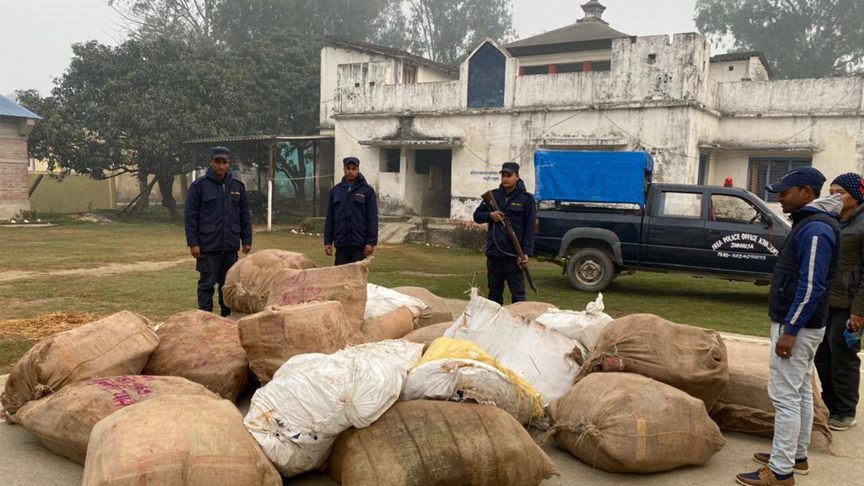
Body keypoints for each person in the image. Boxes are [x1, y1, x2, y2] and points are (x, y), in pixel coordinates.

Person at [737, 167, 842, 486]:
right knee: (798, 391)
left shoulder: (815, 230)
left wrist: (791, 330)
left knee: (784, 394)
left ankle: (781, 471)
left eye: (786, 191)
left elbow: (812, 286)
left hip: (799, 325)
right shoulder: (810, 224)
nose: (779, 197)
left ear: (807, 194)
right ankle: (796, 456)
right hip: (804, 324)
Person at [816, 172, 864, 431]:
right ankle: (830, 404)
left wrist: (859, 311)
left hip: (850, 306)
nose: (835, 196)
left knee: (843, 356)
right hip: (827, 302)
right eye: (831, 191)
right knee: (822, 356)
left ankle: (846, 411)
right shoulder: (833, 220)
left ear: (856, 197)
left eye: (841, 192)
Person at [184, 146, 252, 317]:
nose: (221, 166)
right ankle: (205, 319)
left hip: (230, 246)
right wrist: (193, 243)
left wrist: (247, 240)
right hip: (208, 246)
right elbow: (190, 217)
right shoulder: (199, 186)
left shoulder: (237, 187)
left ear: (229, 164)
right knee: (206, 285)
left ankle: (227, 320)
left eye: (224, 162)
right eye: (217, 162)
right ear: (211, 162)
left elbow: (244, 215)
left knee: (227, 286)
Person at [473, 162, 536, 305]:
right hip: (494, 254)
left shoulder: (527, 199)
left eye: (509, 175)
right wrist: (490, 215)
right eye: (503, 175)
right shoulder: (493, 196)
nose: (505, 178)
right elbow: (477, 216)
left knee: (518, 296)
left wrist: (526, 253)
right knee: (494, 295)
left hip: (514, 256)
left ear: (517, 176)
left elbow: (530, 229)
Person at [324, 156, 378, 265]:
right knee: (339, 277)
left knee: (356, 278)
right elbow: (330, 218)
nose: (350, 171)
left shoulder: (367, 191)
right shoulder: (336, 191)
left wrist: (371, 243)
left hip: (359, 245)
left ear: (358, 170)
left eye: (354, 169)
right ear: (344, 169)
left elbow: (372, 218)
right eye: (348, 168)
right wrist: (328, 242)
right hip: (341, 244)